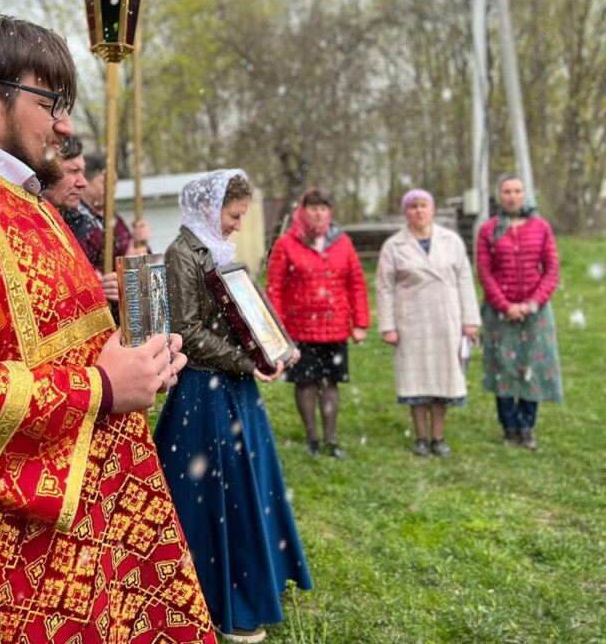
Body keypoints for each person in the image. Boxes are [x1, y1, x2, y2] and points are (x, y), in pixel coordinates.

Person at [0, 15, 215, 643]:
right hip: (17, 557)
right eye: (51, 101)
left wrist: (137, 360)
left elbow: (75, 346)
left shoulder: (37, 210)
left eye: (67, 104)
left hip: (97, 521)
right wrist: (102, 390)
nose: (64, 123)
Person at [154, 169, 312, 644]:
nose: (238, 225)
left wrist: (276, 345)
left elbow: (246, 312)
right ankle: (221, 597)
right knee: (219, 499)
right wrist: (248, 360)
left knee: (250, 486)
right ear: (209, 208)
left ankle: (255, 579)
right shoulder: (184, 253)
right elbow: (188, 330)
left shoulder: (217, 250)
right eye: (234, 215)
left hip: (236, 387)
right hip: (204, 395)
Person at [266, 187, 370, 460]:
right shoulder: (286, 244)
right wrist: (276, 329)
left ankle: (331, 439)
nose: (318, 213)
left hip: (334, 327)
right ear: (302, 211)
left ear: (329, 212)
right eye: (312, 208)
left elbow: (356, 283)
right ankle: (312, 437)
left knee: (330, 383)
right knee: (305, 383)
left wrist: (360, 322)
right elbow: (274, 287)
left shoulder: (342, 242)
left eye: (323, 208)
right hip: (299, 328)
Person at [376, 189, 481, 457]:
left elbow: (465, 282)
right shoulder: (394, 246)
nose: (419, 211)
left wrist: (470, 321)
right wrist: (388, 326)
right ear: (405, 212)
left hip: (447, 320)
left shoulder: (452, 242)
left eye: (423, 206)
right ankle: (421, 436)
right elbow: (384, 287)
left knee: (442, 379)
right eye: (413, 207)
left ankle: (438, 436)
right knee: (417, 379)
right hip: (412, 322)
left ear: (432, 210)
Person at [476, 173, 563, 450]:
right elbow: (485, 272)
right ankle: (508, 427)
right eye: (506, 191)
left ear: (524, 194)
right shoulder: (489, 229)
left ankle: (527, 426)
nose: (512, 196)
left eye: (517, 191)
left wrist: (532, 303)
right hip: (500, 312)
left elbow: (551, 269)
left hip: (534, 313)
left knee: (531, 366)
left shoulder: (541, 227)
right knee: (503, 367)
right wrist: (505, 305)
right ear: (498, 196)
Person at [43, 136, 119, 303]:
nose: (82, 183)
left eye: (83, 172)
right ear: (45, 171)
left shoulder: (84, 225)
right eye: (72, 171)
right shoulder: (28, 224)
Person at [64, 151, 151, 271]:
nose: (112, 189)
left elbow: (136, 259)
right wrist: (125, 264)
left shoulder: (116, 220)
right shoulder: (75, 221)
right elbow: (82, 269)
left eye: (114, 183)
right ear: (85, 181)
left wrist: (140, 242)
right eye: (105, 183)